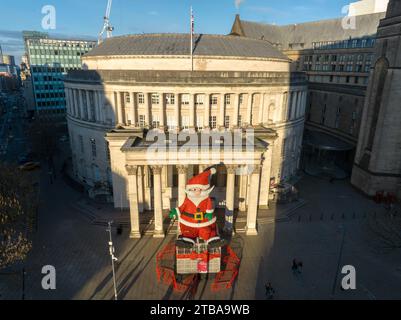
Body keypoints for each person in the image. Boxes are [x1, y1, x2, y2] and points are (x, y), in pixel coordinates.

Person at [169, 167, 224, 249]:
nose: (197, 191)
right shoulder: (188, 200)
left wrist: (209, 213)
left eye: (200, 189)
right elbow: (182, 207)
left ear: (204, 189)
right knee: (189, 231)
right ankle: (187, 239)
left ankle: (212, 239)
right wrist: (175, 211)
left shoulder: (206, 199)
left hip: (204, 222)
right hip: (189, 223)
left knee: (207, 231)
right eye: (194, 189)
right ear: (190, 189)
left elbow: (209, 207)